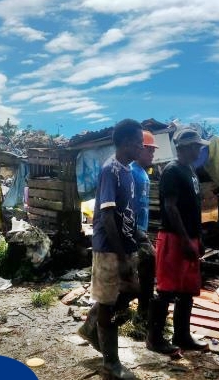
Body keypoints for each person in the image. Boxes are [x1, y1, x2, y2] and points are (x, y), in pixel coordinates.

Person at [77, 119, 144, 380]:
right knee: (107, 302)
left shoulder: (128, 171)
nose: (141, 147)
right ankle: (111, 363)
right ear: (126, 143)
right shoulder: (110, 170)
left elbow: (128, 213)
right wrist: (120, 256)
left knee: (129, 291)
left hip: (125, 245)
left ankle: (91, 327)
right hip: (108, 248)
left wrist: (137, 241)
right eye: (138, 143)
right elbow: (107, 216)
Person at [146, 127, 210, 354]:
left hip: (189, 237)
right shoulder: (172, 171)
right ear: (185, 147)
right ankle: (154, 339)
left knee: (187, 290)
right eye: (196, 146)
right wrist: (184, 239)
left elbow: (193, 208)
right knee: (166, 289)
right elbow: (170, 207)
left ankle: (182, 336)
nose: (199, 150)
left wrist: (198, 238)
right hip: (174, 238)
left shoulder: (190, 170)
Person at [130, 130, 159, 324]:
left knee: (145, 269)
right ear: (139, 149)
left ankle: (143, 310)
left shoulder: (143, 172)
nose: (152, 155)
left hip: (142, 228)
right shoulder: (132, 172)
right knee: (147, 265)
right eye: (149, 151)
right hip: (134, 229)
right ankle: (142, 312)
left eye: (153, 151)